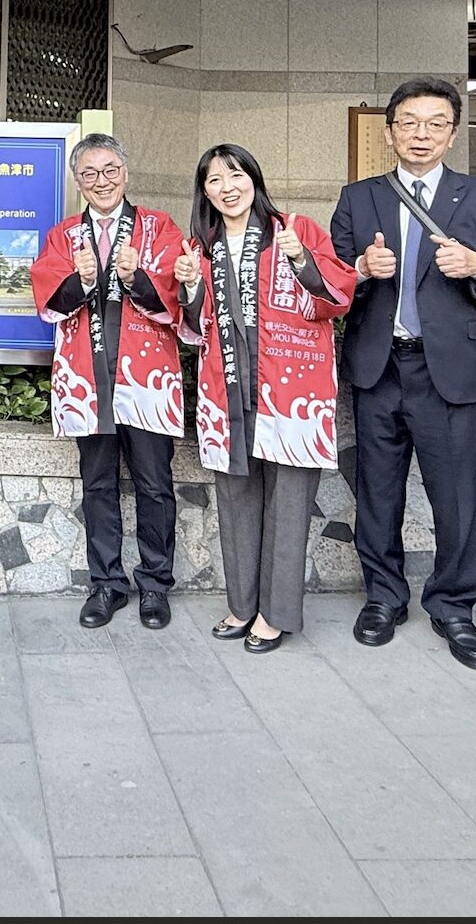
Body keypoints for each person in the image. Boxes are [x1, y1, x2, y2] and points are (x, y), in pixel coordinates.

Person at [330, 77, 476, 671]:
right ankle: (384, 597)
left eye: (436, 123)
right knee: (377, 492)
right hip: (380, 366)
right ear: (389, 132)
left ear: (452, 133)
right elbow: (328, 278)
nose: (422, 134)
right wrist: (360, 267)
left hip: (456, 371)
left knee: (459, 496)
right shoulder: (359, 197)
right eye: (409, 123)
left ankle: (454, 606)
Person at [175, 143, 355, 652]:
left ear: (254, 180)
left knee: (289, 504)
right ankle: (241, 604)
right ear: (204, 191)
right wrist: (189, 288)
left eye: (236, 175)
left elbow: (338, 297)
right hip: (228, 392)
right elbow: (192, 326)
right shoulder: (200, 247)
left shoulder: (295, 231)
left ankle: (274, 614)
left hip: (291, 392)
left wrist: (300, 260)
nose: (227, 187)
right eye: (214, 180)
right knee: (235, 500)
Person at [29, 133, 185, 630]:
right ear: (78, 181)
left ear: (126, 173)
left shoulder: (159, 227)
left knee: (155, 485)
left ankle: (155, 585)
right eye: (90, 173)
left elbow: (177, 298)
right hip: (87, 380)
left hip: (148, 379)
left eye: (110, 170)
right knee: (97, 484)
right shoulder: (64, 235)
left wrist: (137, 277)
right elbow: (48, 301)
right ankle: (107, 584)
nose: (102, 181)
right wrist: (82, 279)